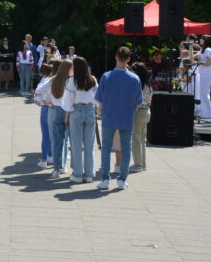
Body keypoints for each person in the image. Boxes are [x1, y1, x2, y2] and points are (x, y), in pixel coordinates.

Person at [96, 47, 143, 190]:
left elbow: (100, 101)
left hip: (109, 116)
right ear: (129, 59)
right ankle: (122, 180)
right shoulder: (135, 79)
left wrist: (102, 111)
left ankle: (105, 179)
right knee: (126, 148)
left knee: (106, 148)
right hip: (126, 117)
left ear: (116, 57)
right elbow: (138, 103)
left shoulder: (106, 76)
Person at [63, 57, 98, 183]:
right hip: (90, 111)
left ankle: (77, 174)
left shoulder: (71, 81)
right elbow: (98, 98)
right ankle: (89, 174)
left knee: (76, 145)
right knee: (89, 145)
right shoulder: (92, 79)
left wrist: (66, 117)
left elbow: (68, 102)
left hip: (76, 111)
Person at [46, 59, 71, 179]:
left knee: (56, 141)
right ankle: (62, 166)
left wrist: (46, 102)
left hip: (55, 109)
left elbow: (39, 92)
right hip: (67, 110)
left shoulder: (52, 79)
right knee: (66, 141)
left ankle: (56, 168)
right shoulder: (70, 81)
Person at [129, 62, 153, 172]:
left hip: (139, 112)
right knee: (142, 140)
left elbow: (137, 102)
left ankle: (138, 164)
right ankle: (143, 164)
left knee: (136, 139)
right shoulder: (148, 84)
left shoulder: (138, 84)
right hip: (147, 111)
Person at [33, 61, 57, 168]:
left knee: (46, 136)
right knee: (54, 135)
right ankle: (51, 156)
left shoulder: (45, 81)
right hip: (55, 108)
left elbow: (37, 95)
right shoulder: (56, 80)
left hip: (46, 108)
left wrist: (44, 102)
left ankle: (44, 159)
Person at [194, 35, 211, 120]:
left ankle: (209, 114)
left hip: (207, 74)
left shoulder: (208, 50)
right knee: (202, 93)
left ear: (205, 40)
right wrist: (190, 47)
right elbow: (193, 57)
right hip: (203, 74)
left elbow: (208, 63)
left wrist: (198, 63)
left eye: (201, 39)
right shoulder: (202, 49)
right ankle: (204, 113)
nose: (200, 40)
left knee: (204, 93)